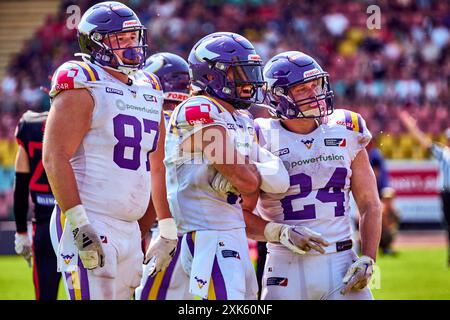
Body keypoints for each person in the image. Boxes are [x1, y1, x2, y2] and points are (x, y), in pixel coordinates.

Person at [164, 32, 328, 300]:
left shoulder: (241, 118)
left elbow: (257, 190)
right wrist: (249, 171)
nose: (249, 81)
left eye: (250, 71)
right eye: (238, 73)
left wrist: (280, 232)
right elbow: (248, 182)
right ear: (210, 75)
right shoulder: (198, 109)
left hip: (233, 235)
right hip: (206, 236)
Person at [43, 1, 176, 300]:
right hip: (91, 215)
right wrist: (78, 222)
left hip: (130, 226)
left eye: (133, 37)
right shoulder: (83, 79)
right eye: (120, 39)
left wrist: (164, 227)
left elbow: (158, 164)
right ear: (96, 44)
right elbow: (55, 156)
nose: (131, 46)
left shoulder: (150, 86)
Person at [253, 51, 381, 300]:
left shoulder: (347, 126)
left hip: (343, 261)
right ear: (278, 96)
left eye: (316, 85)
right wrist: (280, 232)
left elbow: (369, 204)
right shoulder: (259, 135)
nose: (315, 94)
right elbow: (242, 214)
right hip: (285, 263)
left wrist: (368, 258)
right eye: (302, 89)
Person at [135, 52, 193, 300]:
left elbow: (153, 179)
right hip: (206, 228)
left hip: (168, 227)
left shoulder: (152, 120)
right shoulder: (200, 119)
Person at [14, 110, 60, 300]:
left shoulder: (29, 125)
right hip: (82, 220)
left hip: (44, 226)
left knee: (45, 296)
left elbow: (21, 186)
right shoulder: (82, 119)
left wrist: (21, 232)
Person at [399, 111, 450, 266]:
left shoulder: (444, 152)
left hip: (446, 192)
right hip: (446, 192)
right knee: (448, 225)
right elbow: (424, 142)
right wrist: (412, 127)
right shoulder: (444, 152)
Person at [379, 187, 400, 255]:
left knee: (391, 233)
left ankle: (386, 248)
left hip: (382, 235)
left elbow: (393, 225)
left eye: (389, 199)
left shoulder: (394, 211)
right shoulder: (380, 209)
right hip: (375, 234)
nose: (388, 201)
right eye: (386, 199)